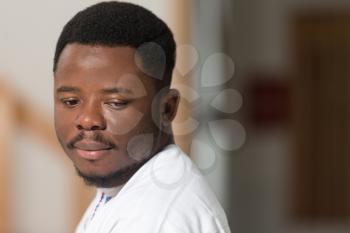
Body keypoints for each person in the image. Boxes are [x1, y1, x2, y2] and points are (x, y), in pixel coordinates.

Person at [53, 1, 231, 232]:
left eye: (116, 103)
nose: (87, 119)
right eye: (71, 101)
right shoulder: (123, 189)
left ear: (166, 109)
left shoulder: (153, 220)